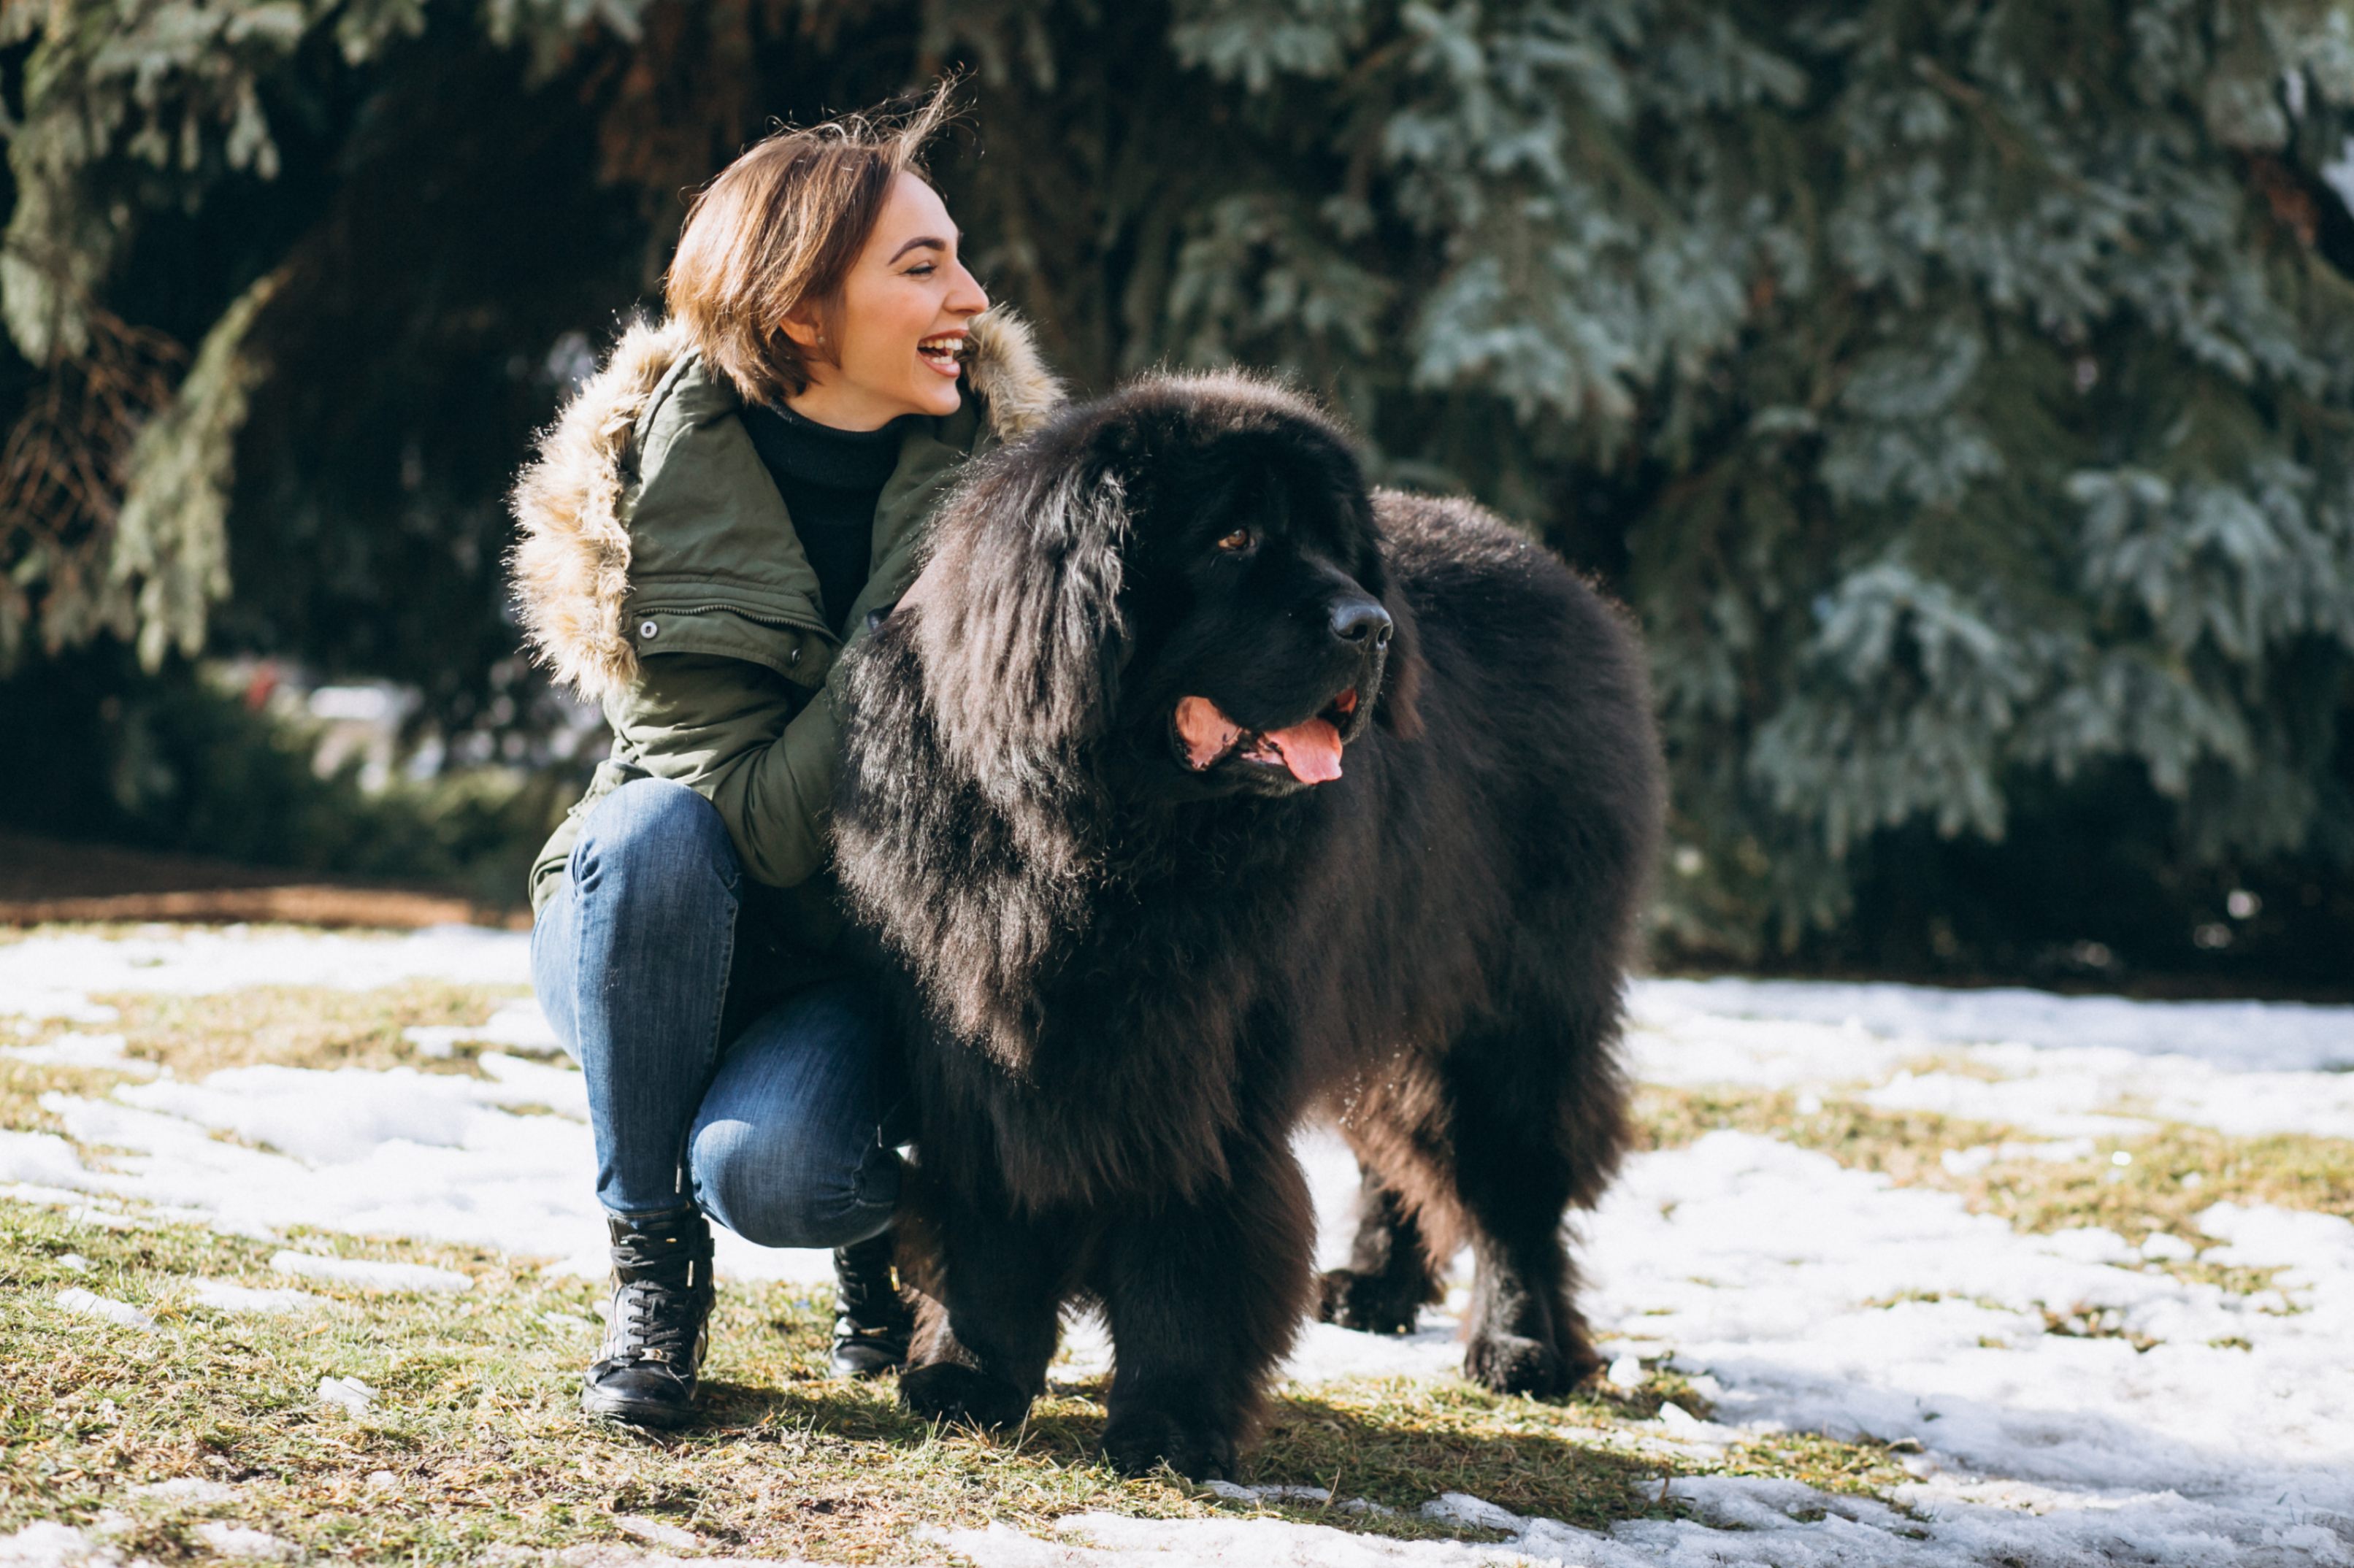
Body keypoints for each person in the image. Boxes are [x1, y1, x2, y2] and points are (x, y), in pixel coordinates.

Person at [507, 87, 1063, 1429]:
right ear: (801, 312)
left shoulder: (1011, 495)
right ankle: (654, 1271)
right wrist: (900, 639)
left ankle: (873, 1240)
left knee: (779, 1178)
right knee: (651, 830)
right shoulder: (653, 486)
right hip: (652, 928)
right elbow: (749, 826)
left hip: (855, 961)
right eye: (921, 268)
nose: (971, 299)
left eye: (961, 258)